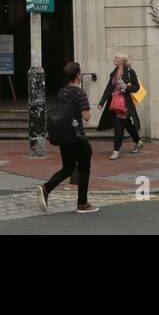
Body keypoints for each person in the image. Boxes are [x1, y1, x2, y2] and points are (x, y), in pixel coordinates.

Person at [37, 61, 98, 214]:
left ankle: (46, 188)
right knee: (84, 167)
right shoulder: (79, 93)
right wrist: (87, 110)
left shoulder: (62, 92)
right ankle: (82, 203)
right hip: (77, 136)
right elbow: (86, 117)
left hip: (64, 136)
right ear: (78, 74)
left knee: (68, 168)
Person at [98, 52, 142, 160]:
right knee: (126, 123)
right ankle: (138, 141)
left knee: (118, 124)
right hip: (116, 102)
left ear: (122, 61)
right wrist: (102, 102)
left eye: (116, 58)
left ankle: (116, 150)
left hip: (125, 103)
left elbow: (137, 87)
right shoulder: (113, 73)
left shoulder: (130, 72)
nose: (114, 59)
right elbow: (109, 88)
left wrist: (126, 87)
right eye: (115, 58)